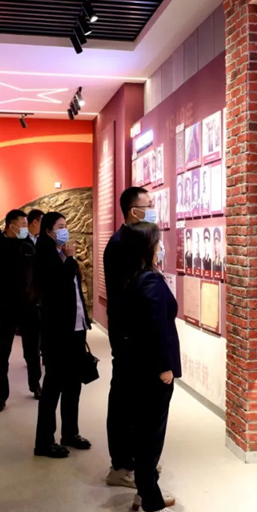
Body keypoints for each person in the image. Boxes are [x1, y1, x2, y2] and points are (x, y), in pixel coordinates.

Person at [119, 221, 181, 512]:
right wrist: (164, 367)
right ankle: (151, 503)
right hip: (153, 370)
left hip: (139, 366)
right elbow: (156, 329)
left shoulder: (135, 277)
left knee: (144, 431)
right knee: (150, 436)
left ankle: (144, 493)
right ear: (147, 248)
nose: (161, 247)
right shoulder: (150, 282)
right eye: (158, 242)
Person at [103, 187, 154, 485]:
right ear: (134, 211)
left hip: (132, 331)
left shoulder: (131, 240)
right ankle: (121, 466)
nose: (153, 210)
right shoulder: (121, 244)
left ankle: (134, 460)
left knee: (134, 398)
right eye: (149, 205)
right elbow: (130, 293)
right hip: (127, 333)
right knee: (124, 397)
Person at [34, 211, 92, 459]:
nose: (64, 230)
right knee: (53, 387)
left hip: (75, 329)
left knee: (73, 384)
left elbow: (74, 292)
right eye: (60, 226)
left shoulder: (61, 254)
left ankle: (70, 432)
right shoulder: (44, 254)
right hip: (58, 333)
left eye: (66, 225)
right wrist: (69, 260)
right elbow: (56, 286)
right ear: (48, 230)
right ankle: (44, 441)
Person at [0, 209, 41, 411]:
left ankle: (35, 384)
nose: (26, 228)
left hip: (28, 307)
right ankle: (0, 395)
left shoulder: (28, 247)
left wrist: (36, 299)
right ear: (11, 226)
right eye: (23, 225)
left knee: (32, 351)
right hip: (4, 309)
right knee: (2, 353)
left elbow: (36, 276)